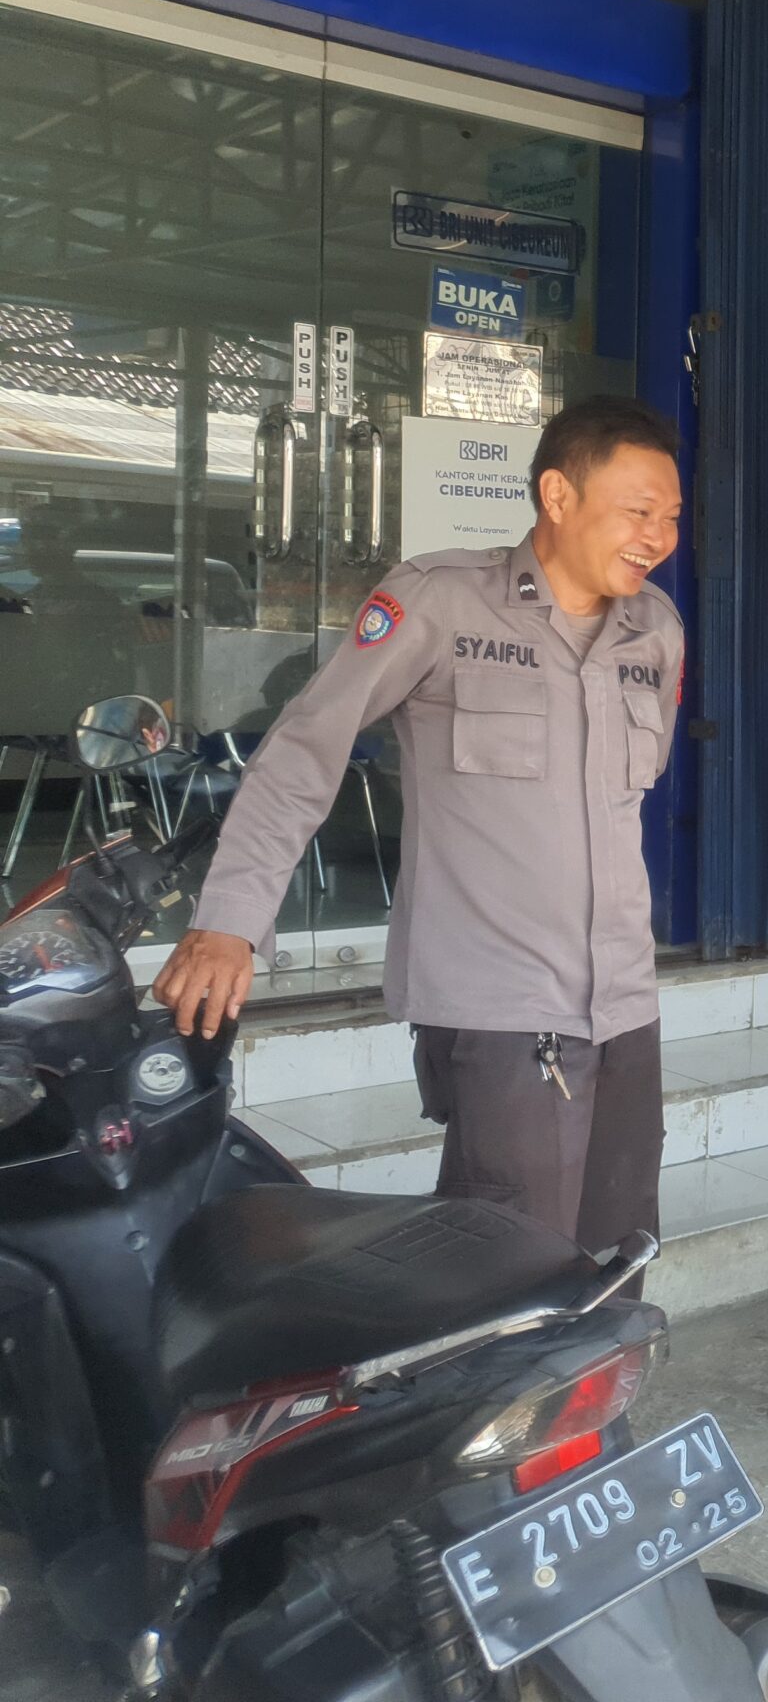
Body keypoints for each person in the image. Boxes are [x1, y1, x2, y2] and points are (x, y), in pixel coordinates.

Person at [154, 396, 686, 1256]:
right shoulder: (441, 602)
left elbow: (628, 797)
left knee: (617, 1266)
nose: (658, 536)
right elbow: (303, 754)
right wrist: (229, 922)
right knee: (509, 1274)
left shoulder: (654, 630)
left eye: (670, 517)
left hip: (625, 1003)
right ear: (558, 495)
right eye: (639, 511)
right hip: (504, 1011)